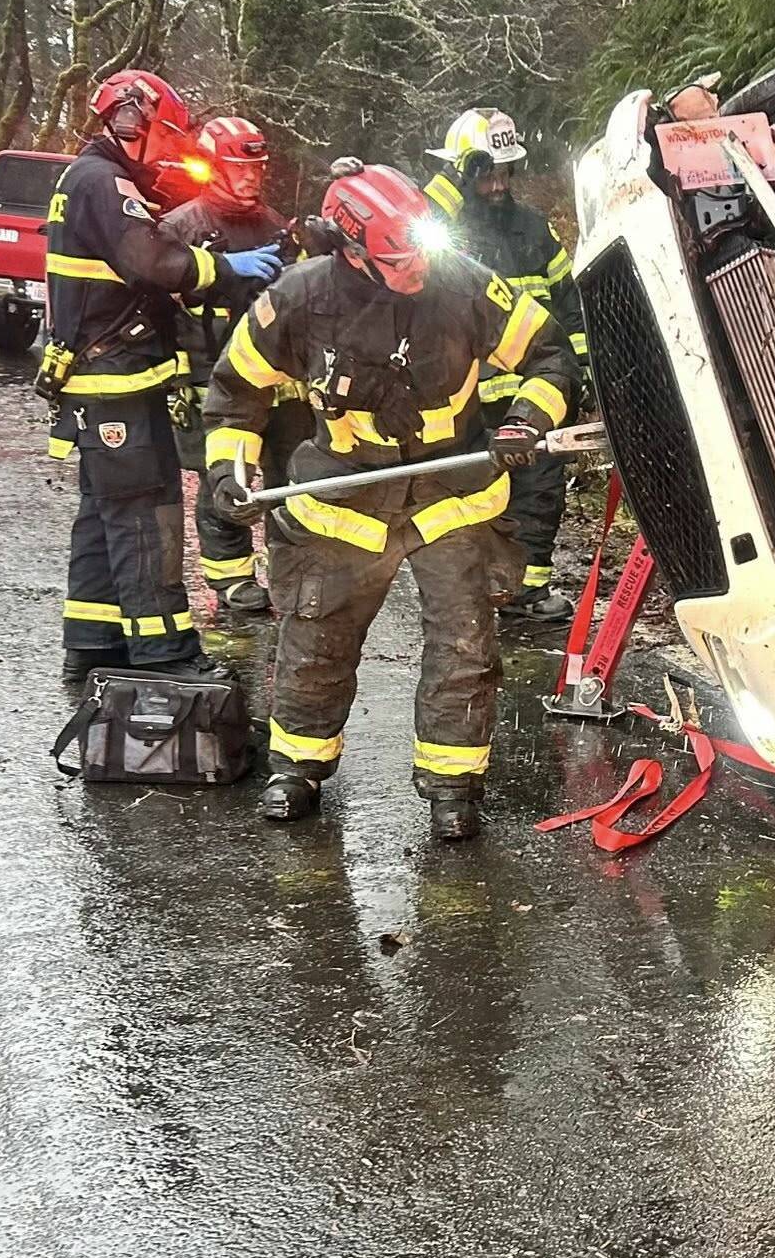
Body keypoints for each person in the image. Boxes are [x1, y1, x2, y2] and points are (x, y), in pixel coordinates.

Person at [200, 161, 577, 840]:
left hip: (452, 495)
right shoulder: (300, 299)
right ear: (351, 252)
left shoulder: (461, 281)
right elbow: (234, 396)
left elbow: (551, 355)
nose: (415, 271)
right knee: (316, 635)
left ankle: (454, 786)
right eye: (397, 260)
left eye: (418, 254)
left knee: (464, 645)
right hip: (342, 494)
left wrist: (526, 419)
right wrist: (230, 471)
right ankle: (298, 768)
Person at [44, 69, 283, 680]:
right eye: (166, 135)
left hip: (105, 380)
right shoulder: (102, 182)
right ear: (130, 122)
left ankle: (95, 640)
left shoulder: (91, 179)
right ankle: (165, 655)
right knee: (145, 513)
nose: (171, 150)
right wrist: (226, 268)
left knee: (103, 513)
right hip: (116, 380)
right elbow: (153, 262)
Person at [425, 109, 586, 623]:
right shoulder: (441, 230)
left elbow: (569, 305)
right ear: (463, 173)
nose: (497, 185)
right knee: (468, 502)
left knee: (540, 495)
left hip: (535, 399)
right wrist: (452, 182)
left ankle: (525, 592)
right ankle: (469, 595)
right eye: (485, 173)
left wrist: (577, 373)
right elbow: (411, 230)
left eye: (504, 173)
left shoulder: (534, 230)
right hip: (464, 402)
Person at [160, 115, 309, 615]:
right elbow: (158, 301)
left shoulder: (277, 226)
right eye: (238, 166)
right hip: (211, 375)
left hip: (279, 379)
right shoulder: (180, 228)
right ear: (212, 166)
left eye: (257, 167)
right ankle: (231, 579)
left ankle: (291, 573)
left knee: (292, 475)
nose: (251, 176)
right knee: (225, 475)